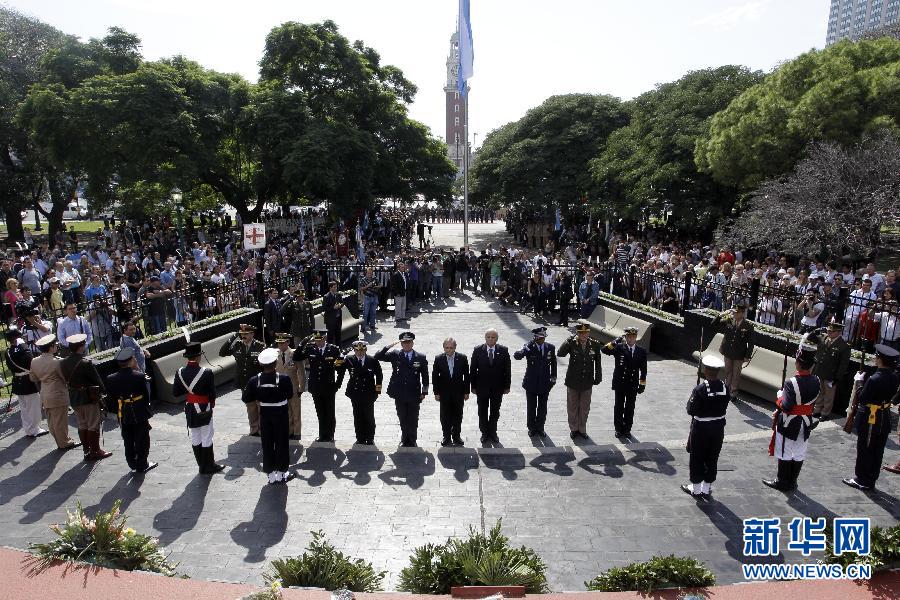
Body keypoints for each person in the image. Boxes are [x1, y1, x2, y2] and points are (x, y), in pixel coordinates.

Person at [763, 343, 820, 492]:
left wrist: (780, 397)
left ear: (798, 363)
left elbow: (787, 406)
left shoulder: (791, 382)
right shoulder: (817, 381)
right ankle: (793, 482)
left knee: (785, 451)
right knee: (800, 451)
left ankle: (782, 481)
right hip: (806, 421)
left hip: (790, 421)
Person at [842, 344, 900, 491]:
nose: (875, 358)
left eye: (877, 357)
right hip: (884, 416)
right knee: (877, 450)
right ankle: (871, 478)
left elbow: (863, 398)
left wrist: (860, 382)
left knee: (865, 449)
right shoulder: (894, 377)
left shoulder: (874, 379)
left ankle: (862, 479)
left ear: (880, 360)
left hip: (871, 419)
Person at [243, 347, 295, 485]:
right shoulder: (283, 379)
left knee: (267, 444)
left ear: (261, 364)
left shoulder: (254, 380)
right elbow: (290, 395)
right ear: (275, 363)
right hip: (281, 415)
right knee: (281, 443)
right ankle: (282, 473)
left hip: (265, 415)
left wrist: (259, 397)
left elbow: (246, 397)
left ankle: (271, 474)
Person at [172, 341, 225, 474]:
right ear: (198, 356)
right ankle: (209, 465)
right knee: (207, 435)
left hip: (189, 407)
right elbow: (212, 394)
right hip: (203, 406)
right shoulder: (206, 372)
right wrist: (211, 405)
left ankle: (201, 464)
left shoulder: (179, 372)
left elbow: (176, 392)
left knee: (195, 435)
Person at [682, 355, 730, 498]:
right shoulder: (725, 387)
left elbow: (691, 410)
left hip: (701, 429)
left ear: (705, 370)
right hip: (718, 428)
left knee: (697, 457)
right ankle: (706, 487)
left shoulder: (700, 389)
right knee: (712, 456)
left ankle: (696, 489)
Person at [60, 333, 112, 461]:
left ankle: (86, 450)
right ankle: (95, 450)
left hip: (74, 397)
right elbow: (98, 382)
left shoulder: (63, 362)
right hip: (88, 397)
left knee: (82, 424)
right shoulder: (86, 363)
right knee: (93, 424)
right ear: (81, 346)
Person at [105, 347, 156, 473]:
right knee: (142, 438)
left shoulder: (111, 378)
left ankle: (132, 462)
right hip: (138, 410)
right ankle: (142, 464)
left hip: (123, 411)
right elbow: (146, 394)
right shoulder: (138, 376)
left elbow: (111, 398)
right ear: (131, 360)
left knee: (127, 438)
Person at [375, 332, 429, 447]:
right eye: (404, 343)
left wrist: (424, 392)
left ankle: (412, 440)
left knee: (413, 418)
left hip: (414, 392)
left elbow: (425, 376)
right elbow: (377, 356)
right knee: (402, 417)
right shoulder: (395, 354)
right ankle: (405, 439)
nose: (407, 345)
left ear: (412, 343)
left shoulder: (420, 357)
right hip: (399, 392)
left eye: (409, 342)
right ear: (401, 344)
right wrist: (388, 346)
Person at [29, 335, 81, 450]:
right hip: (58, 393)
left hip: (45, 393)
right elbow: (66, 377)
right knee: (60, 421)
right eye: (55, 345)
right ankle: (64, 442)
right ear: (51, 347)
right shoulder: (58, 361)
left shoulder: (34, 361)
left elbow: (33, 378)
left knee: (52, 421)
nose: (57, 346)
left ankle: (60, 440)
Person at [601, 326, 648, 438]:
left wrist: (642, 384)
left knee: (630, 407)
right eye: (628, 337)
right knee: (619, 407)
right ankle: (618, 428)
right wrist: (616, 340)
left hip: (632, 383)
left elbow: (643, 369)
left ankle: (627, 429)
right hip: (620, 383)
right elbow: (604, 350)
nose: (630, 339)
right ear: (625, 337)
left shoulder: (641, 351)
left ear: (636, 337)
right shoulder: (619, 347)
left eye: (633, 337)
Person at [558, 323, 603, 440]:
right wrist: (568, 339)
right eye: (581, 333)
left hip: (587, 381)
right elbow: (560, 353)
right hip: (573, 380)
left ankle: (582, 429)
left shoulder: (595, 344)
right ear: (577, 333)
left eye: (586, 333)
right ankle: (573, 428)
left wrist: (598, 376)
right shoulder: (572, 343)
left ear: (589, 333)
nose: (584, 335)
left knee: (584, 407)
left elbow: (598, 362)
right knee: (572, 406)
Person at [296, 330, 342, 442]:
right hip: (315, 386)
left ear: (325, 338)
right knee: (320, 411)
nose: (318, 342)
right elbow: (297, 357)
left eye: (320, 340)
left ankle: (330, 434)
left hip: (329, 386)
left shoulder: (334, 349)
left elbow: (341, 368)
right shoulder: (310, 348)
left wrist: (337, 385)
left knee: (330, 412)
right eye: (316, 340)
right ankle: (322, 434)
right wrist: (303, 343)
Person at [219, 323, 265, 436]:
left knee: (260, 407)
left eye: (246, 334)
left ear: (252, 334)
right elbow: (222, 352)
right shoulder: (238, 345)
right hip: (244, 382)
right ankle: (254, 429)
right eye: (242, 334)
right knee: (250, 407)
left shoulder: (260, 346)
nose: (243, 336)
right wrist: (234, 336)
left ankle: (262, 429)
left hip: (257, 382)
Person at [4, 326, 48, 438]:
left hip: (18, 381)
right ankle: (35, 429)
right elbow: (30, 362)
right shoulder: (23, 349)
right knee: (33, 406)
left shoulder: (8, 352)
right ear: (17, 338)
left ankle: (29, 429)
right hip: (27, 381)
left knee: (24, 408)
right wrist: (24, 346)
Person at [336, 339, 383, 445]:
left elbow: (379, 375)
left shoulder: (372, 360)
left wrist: (378, 391)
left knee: (369, 417)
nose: (360, 353)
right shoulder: (349, 359)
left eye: (362, 351)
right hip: (355, 392)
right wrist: (342, 355)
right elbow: (337, 367)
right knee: (357, 416)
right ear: (354, 351)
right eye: (357, 351)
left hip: (369, 393)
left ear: (365, 350)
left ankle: (370, 438)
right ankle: (360, 438)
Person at [469, 328, 511, 444]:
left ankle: (493, 432)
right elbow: (472, 369)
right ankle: (484, 432)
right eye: (488, 337)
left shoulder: (503, 350)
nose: (490, 339)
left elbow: (507, 369)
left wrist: (507, 386)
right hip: (481, 387)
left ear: (497, 339)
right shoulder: (478, 350)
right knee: (482, 411)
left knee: (495, 411)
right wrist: (472, 386)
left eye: (493, 337)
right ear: (485, 338)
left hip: (498, 388)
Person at [514, 326, 557, 438]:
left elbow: (554, 364)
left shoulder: (550, 347)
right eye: (539, 337)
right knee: (531, 406)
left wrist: (553, 379)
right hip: (531, 382)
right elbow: (517, 356)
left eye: (543, 337)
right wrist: (527, 346)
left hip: (545, 382)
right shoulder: (529, 347)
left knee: (543, 407)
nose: (542, 339)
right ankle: (531, 428)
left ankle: (540, 427)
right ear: (535, 337)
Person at [432, 337, 470, 447]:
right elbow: (435, 376)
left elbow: (466, 376)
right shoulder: (439, 359)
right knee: (445, 415)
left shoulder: (462, 358)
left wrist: (467, 391)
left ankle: (456, 436)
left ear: (455, 347)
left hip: (459, 392)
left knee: (458, 415)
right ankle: (446, 436)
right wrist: (436, 392)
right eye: (446, 348)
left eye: (451, 348)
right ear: (443, 348)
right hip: (444, 393)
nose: (449, 350)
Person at [711, 305, 754, 402]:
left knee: (736, 374)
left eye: (736, 312)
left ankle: (733, 392)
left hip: (739, 354)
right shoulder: (728, 321)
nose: (734, 314)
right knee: (728, 371)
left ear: (742, 313)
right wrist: (721, 315)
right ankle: (726, 389)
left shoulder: (748, 326)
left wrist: (747, 356)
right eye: (733, 312)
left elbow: (751, 343)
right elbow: (713, 324)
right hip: (728, 351)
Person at [812, 319, 851, 420]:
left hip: (831, 374)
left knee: (829, 395)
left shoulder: (843, 346)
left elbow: (843, 364)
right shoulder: (824, 338)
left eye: (832, 331)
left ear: (838, 332)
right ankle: (817, 410)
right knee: (819, 392)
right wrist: (814, 332)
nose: (829, 333)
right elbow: (811, 338)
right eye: (828, 331)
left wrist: (837, 377)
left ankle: (825, 413)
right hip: (820, 370)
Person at [274, 333, 304, 440]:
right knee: (285, 411)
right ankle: (289, 430)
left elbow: (301, 372)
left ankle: (297, 432)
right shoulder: (275, 355)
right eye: (278, 343)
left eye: (282, 343)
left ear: (288, 342)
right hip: (281, 388)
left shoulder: (294, 354)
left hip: (293, 387)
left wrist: (301, 388)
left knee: (295, 410)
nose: (280, 345)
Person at [323, 280, 344, 345]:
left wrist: (340, 305)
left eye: (336, 287)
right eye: (334, 287)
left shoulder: (338, 295)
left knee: (338, 336)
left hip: (338, 319)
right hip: (330, 321)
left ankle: (339, 350)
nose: (336, 288)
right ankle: (330, 351)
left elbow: (342, 302)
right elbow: (325, 308)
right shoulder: (326, 297)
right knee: (330, 337)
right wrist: (333, 308)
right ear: (330, 288)